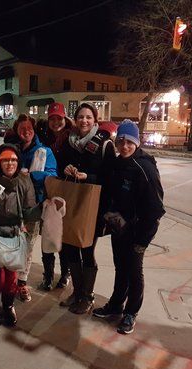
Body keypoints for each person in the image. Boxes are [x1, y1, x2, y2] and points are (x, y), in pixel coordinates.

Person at [93, 120, 165, 334]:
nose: (124, 146)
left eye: (129, 142)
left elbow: (156, 210)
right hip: (120, 228)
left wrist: (143, 241)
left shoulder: (145, 168)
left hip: (137, 233)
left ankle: (131, 312)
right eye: (121, 141)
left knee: (134, 273)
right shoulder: (117, 164)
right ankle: (116, 305)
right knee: (120, 269)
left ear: (137, 142)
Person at [0, 144, 42, 334]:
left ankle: (7, 307)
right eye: (5, 159)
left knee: (12, 278)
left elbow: (29, 213)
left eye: (13, 159)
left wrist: (43, 206)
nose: (10, 163)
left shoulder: (24, 181)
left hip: (13, 236)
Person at [57, 103, 116, 314]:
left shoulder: (104, 144)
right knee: (71, 248)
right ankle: (77, 292)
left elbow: (111, 179)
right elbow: (59, 166)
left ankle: (88, 296)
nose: (84, 121)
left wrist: (88, 177)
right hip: (71, 203)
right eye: (81, 117)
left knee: (87, 250)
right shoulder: (68, 142)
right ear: (75, 119)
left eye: (88, 117)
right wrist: (65, 168)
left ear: (95, 120)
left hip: (93, 207)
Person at [11, 114, 57, 302]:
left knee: (28, 246)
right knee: (12, 243)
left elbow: (52, 175)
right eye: (22, 129)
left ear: (34, 129)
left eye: (29, 128)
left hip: (33, 205)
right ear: (17, 131)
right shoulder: (14, 150)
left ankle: (22, 282)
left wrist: (31, 175)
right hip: (12, 205)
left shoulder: (44, 152)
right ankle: (10, 279)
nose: (26, 132)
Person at [37, 102, 73, 291]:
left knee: (63, 238)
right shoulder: (43, 137)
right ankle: (48, 275)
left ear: (65, 119)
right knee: (47, 236)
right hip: (47, 191)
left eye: (59, 118)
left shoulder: (72, 138)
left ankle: (65, 274)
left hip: (66, 191)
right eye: (52, 118)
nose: (56, 122)